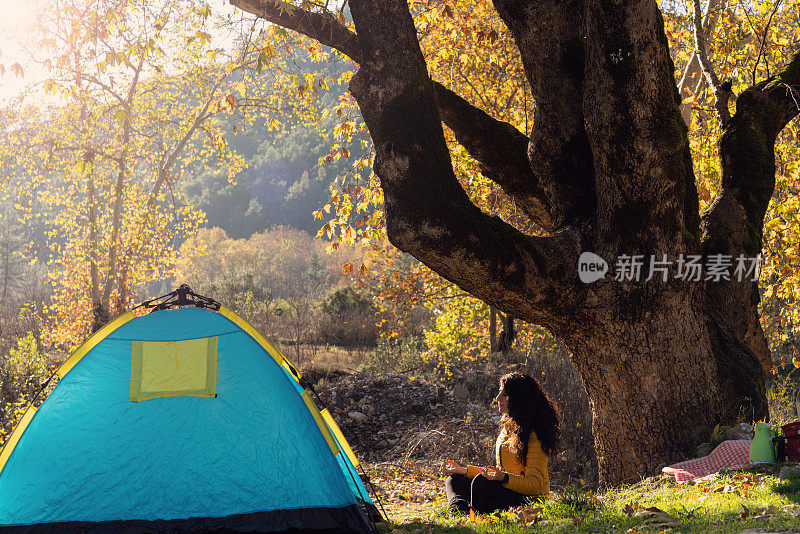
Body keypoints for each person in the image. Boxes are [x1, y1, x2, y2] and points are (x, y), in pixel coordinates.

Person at [441, 371, 560, 515]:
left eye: (504, 395)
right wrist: (463, 470)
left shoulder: (535, 434)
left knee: (481, 482)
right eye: (499, 393)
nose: (497, 398)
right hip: (507, 488)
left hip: (529, 499)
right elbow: (498, 473)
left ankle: (477, 514)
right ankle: (458, 513)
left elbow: (535, 485)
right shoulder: (508, 426)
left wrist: (503, 477)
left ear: (519, 399)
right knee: (455, 479)